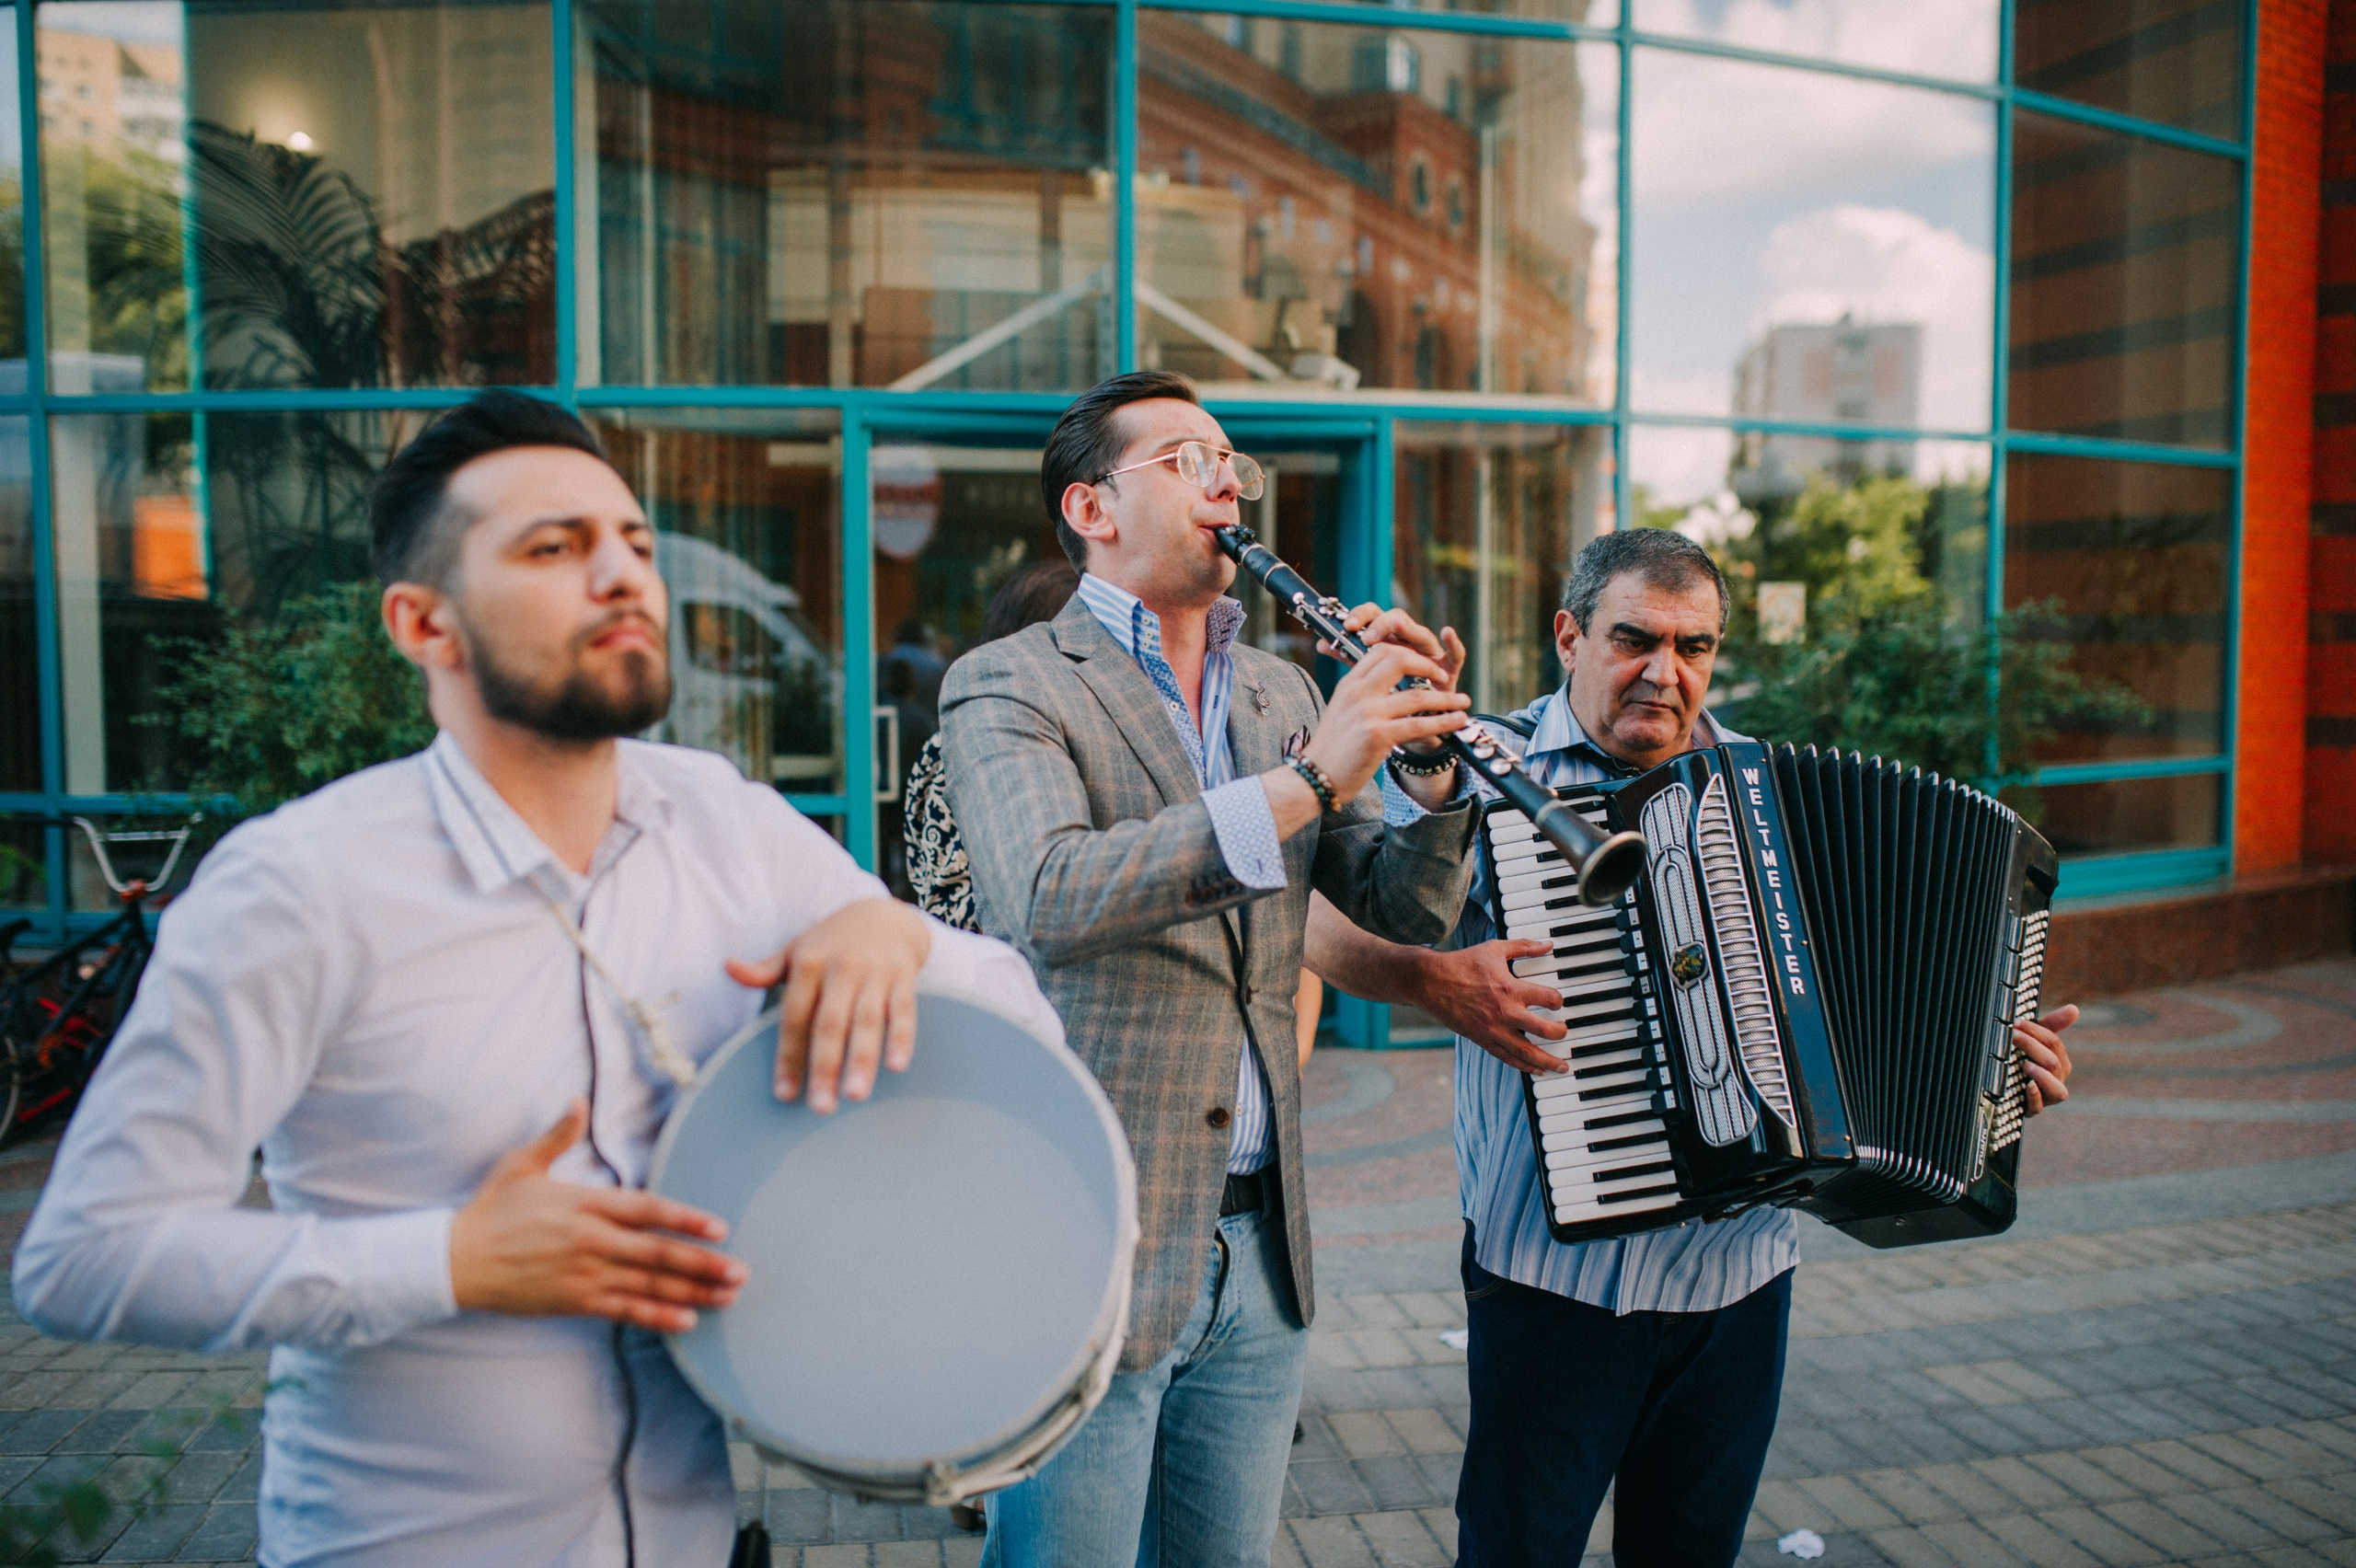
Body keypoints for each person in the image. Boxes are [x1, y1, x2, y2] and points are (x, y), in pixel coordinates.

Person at [11, 391, 1060, 1568]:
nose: (623, 576)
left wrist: (888, 935)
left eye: (635, 544)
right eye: (554, 548)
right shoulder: (297, 887)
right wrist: (449, 1261)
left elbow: (1022, 1015)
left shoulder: (724, 821)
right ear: (423, 622)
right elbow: (81, 1258)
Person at [1305, 527, 2080, 1568]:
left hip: (1738, 1284)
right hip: (1552, 1283)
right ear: (1569, 637)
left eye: (1693, 647)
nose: (1664, 673)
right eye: (1634, 639)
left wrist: (1993, 1075)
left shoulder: (1768, 792)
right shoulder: (1478, 767)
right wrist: (1432, 982)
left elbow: (1874, 995)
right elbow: (1331, 924)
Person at [940, 370, 1480, 1567]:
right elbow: (1049, 894)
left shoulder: (1284, 688)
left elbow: (1401, 905)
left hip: (1261, 1254)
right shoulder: (1009, 680)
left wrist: (1428, 768)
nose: (1227, 482)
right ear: (1090, 508)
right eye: (1187, 460)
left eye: (1232, 462)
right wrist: (1312, 778)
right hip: (1092, 1242)